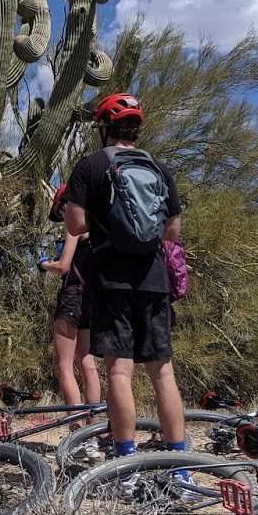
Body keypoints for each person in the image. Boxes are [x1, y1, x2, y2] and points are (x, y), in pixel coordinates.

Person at [64, 93, 187, 468]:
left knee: (119, 368)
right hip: (153, 278)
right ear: (136, 128)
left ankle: (125, 462)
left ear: (103, 127)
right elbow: (173, 230)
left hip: (111, 278)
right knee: (162, 369)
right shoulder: (160, 169)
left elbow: (75, 224)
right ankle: (178, 460)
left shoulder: (92, 165)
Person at [40, 185, 101, 413]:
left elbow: (63, 266)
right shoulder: (98, 224)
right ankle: (92, 432)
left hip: (72, 297)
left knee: (63, 366)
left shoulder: (74, 226)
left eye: (60, 212)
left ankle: (75, 428)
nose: (63, 217)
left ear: (66, 204)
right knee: (88, 364)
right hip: (91, 299)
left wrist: (45, 264)